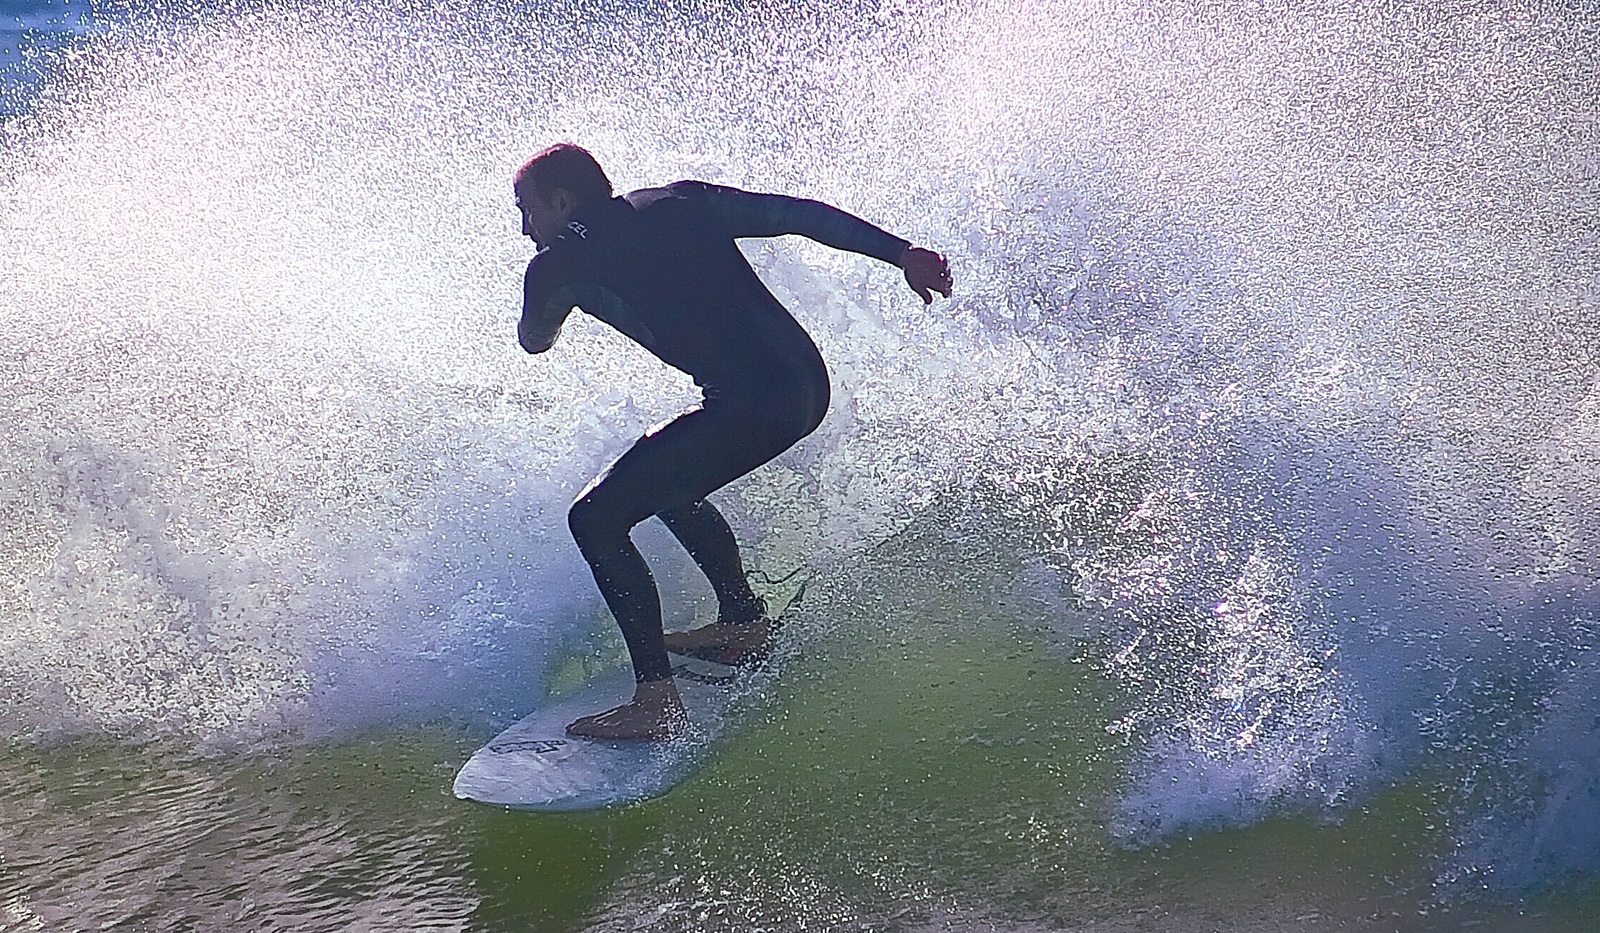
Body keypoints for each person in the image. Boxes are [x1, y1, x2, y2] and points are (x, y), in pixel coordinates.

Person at [513, 143, 952, 740]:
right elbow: (794, 213)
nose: (524, 228)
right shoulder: (682, 200)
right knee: (666, 482)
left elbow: (535, 341)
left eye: (528, 212)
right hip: (803, 387)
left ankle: (654, 702)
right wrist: (901, 253)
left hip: (750, 405)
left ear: (562, 202)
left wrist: (553, 288)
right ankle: (742, 624)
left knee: (595, 518)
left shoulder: (558, 262)